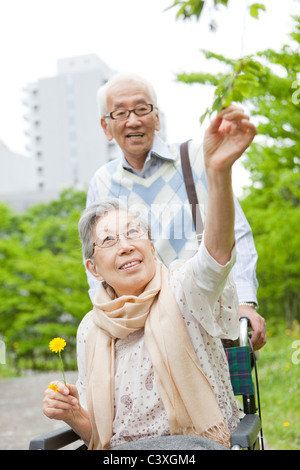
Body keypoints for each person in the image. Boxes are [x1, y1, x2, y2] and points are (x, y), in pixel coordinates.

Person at [43, 107, 256, 450]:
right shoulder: (91, 329)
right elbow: (98, 435)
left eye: (134, 233)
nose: (125, 246)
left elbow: (217, 254)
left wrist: (218, 173)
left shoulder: (184, 290)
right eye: (109, 241)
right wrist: (71, 414)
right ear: (93, 268)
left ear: (151, 246)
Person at [86, 72, 266, 351]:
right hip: (143, 332)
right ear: (105, 126)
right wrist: (111, 320)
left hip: (209, 318)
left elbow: (236, 232)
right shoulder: (102, 181)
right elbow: (97, 259)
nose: (133, 120)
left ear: (156, 117)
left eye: (142, 109)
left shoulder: (197, 157)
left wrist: (244, 303)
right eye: (120, 113)